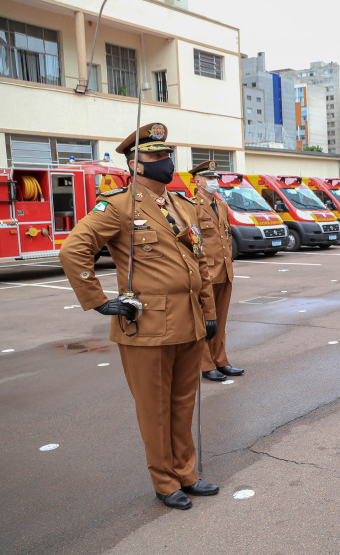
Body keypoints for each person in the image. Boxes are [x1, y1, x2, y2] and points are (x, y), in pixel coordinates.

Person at [59, 123, 219, 510]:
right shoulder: (116, 206)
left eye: (168, 154)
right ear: (136, 164)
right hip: (146, 324)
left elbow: (199, 262)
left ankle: (187, 471)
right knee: (155, 406)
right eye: (157, 156)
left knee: (184, 403)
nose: (167, 161)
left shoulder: (180, 205)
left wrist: (209, 312)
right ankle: (164, 481)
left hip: (188, 319)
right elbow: (73, 251)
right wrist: (99, 301)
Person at [190, 161, 244, 382]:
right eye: (209, 178)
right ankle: (206, 364)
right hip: (206, 272)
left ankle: (221, 360)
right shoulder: (192, 206)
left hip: (224, 270)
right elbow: (193, 241)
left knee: (220, 321)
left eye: (215, 178)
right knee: (205, 319)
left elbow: (226, 236)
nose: (214, 182)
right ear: (198, 181)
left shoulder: (220, 205)